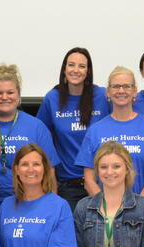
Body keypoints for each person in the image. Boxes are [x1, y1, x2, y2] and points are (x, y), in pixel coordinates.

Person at [37, 47, 111, 213]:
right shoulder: (52, 98)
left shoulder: (102, 96)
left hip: (102, 183)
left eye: (81, 66)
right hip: (68, 186)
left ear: (88, 71)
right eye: (71, 65)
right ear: (64, 69)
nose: (76, 70)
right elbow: (41, 139)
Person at [75, 67, 144, 198]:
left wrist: (138, 206)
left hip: (143, 207)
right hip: (105, 209)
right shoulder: (95, 131)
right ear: (108, 92)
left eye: (126, 86)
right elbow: (89, 180)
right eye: (116, 86)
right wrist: (106, 206)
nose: (121, 91)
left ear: (135, 91)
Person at [0, 63, 59, 216]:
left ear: (19, 95)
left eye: (10, 92)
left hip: (28, 210)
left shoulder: (36, 127)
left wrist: (49, 212)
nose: (4, 97)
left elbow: (50, 174)